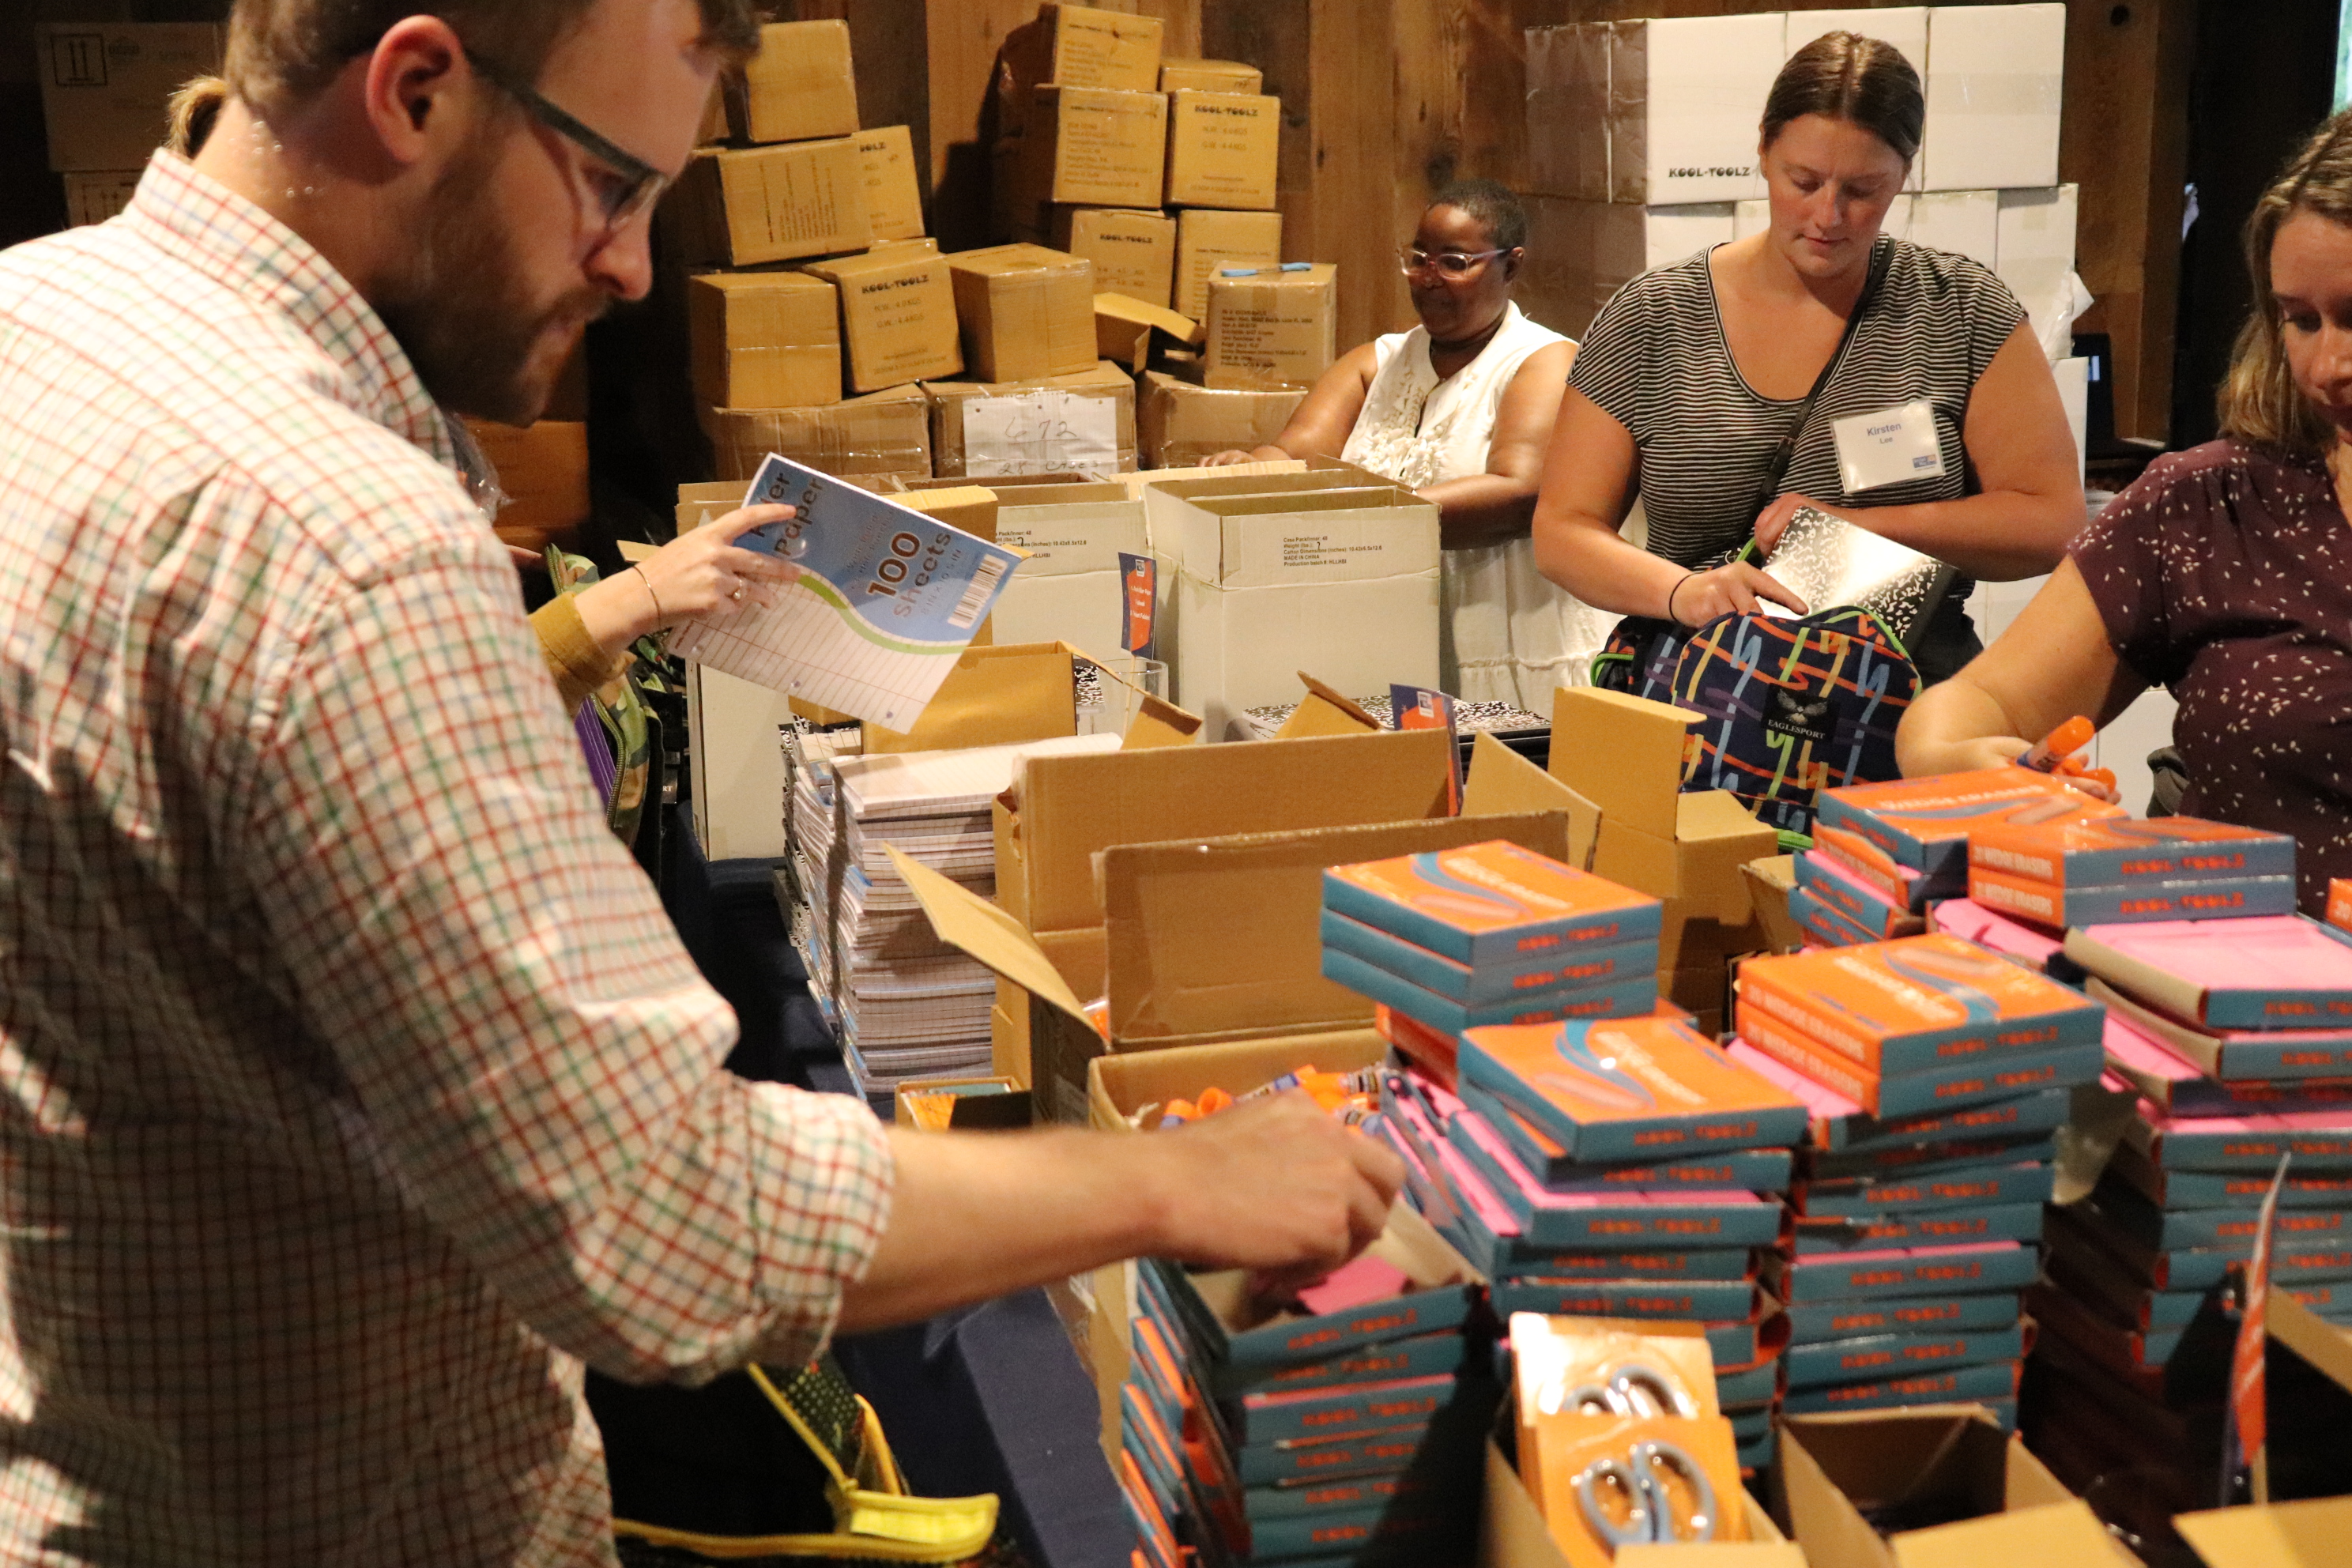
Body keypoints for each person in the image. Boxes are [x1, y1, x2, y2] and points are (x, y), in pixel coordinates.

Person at [0, 3, 1402, 1562]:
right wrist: (1174, 1178)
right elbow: (667, 1219)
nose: (631, 270)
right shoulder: (348, 541)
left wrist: (608, 608)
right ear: (412, 90)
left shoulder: (40, 321)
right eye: (614, 188)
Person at [169, 70, 797, 719]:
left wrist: (422, 570)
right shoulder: (266, 427)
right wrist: (636, 598)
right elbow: (419, 723)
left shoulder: (324, 372)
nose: (626, 274)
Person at [1900, 111, 2352, 915]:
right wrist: (1964, 757)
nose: (2328, 364)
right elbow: (1968, 711)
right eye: (2302, 320)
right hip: (2235, 1007)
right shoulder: (2210, 506)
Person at [1529, 31, 2085, 684]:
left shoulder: (1959, 310)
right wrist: (1684, 592)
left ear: (1905, 175)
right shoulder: (1656, 315)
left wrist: (1852, 527)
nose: (1829, 215)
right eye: (1805, 181)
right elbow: (1563, 531)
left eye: (1863, 189)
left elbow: (2050, 522)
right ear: (1763, 149)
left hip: (1899, 706)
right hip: (1702, 695)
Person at [1203, 181, 1589, 707]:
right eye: (1419, 259)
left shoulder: (1542, 360)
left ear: (1511, 266)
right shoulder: (1376, 361)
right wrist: (1247, 468)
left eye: (1454, 262)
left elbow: (1518, 492)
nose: (1429, 279)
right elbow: (1295, 455)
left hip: (1505, 634)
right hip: (1386, 633)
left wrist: (1364, 517)